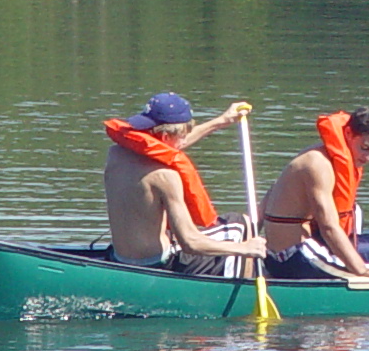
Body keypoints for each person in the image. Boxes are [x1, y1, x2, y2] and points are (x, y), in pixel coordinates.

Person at [104, 92, 258, 276]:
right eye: (183, 134)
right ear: (167, 135)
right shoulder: (166, 177)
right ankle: (245, 289)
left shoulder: (116, 154)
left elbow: (164, 148)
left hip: (119, 258)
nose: (185, 139)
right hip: (157, 264)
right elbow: (190, 242)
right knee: (241, 224)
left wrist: (221, 121)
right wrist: (245, 248)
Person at [260, 107, 369, 285]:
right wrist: (364, 271)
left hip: (310, 247)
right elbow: (329, 228)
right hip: (292, 257)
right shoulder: (318, 164)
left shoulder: (323, 155)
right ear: (348, 133)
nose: (368, 158)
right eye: (365, 148)